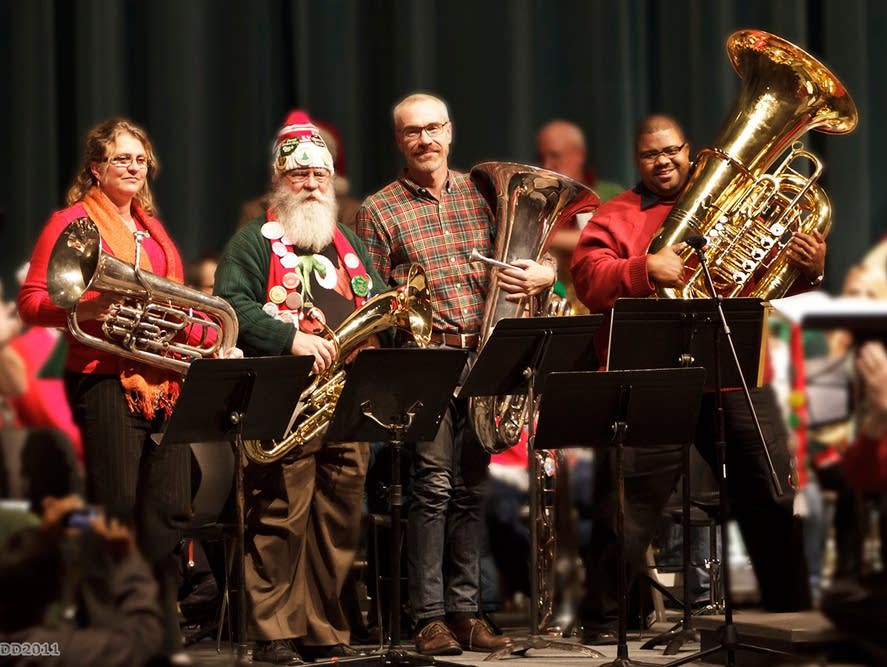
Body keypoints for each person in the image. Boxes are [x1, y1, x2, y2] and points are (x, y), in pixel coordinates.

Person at [570, 114, 819, 643]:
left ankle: (793, 621)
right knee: (626, 511)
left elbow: (763, 279)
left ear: (692, 151)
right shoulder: (616, 215)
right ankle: (603, 623)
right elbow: (589, 280)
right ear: (637, 160)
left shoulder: (735, 199)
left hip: (732, 372)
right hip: (650, 380)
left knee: (771, 496)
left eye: (672, 151)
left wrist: (809, 268)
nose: (663, 162)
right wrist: (643, 270)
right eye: (649, 155)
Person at [16, 117, 235, 662]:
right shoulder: (71, 223)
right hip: (105, 383)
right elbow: (32, 302)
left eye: (140, 159)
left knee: (166, 517)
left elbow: (175, 305)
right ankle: (109, 634)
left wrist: (209, 336)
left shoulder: (151, 228)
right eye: (121, 159)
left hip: (162, 386)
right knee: (114, 514)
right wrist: (88, 305)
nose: (134, 167)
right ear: (96, 167)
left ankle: (159, 633)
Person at [356, 92, 556, 656]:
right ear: (399, 140)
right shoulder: (377, 209)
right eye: (413, 131)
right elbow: (368, 295)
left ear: (450, 131)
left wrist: (545, 272)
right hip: (426, 361)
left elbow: (536, 250)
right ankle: (428, 617)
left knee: (472, 490)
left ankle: (467, 612)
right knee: (433, 488)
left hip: (486, 356)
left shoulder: (485, 193)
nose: (426, 140)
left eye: (434, 128)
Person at [214, 110, 385, 665]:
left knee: (338, 515)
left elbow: (380, 303)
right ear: (278, 179)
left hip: (347, 401)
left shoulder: (349, 242)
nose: (311, 184)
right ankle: (272, 634)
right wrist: (289, 338)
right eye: (299, 175)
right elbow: (231, 305)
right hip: (286, 399)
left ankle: (322, 629)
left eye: (320, 176)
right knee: (280, 514)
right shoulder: (251, 241)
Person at [0, 495, 164, 667]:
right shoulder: (58, 651)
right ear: (55, 591)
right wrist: (128, 558)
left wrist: (42, 536)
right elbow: (140, 641)